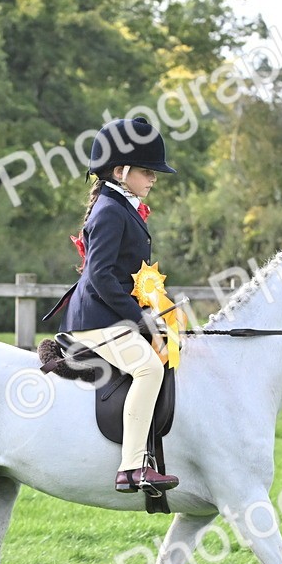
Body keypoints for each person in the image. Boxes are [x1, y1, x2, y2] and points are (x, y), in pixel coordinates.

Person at [58, 117, 179, 494]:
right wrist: (139, 317)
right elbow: (100, 276)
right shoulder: (111, 209)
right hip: (97, 319)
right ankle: (131, 468)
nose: (153, 179)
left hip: (110, 315)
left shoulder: (121, 205)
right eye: (147, 171)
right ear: (120, 171)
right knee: (148, 370)